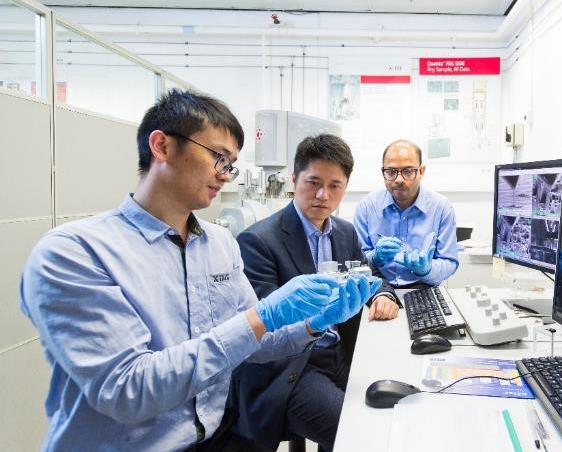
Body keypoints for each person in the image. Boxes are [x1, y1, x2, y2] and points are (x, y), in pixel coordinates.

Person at [18, 89, 378, 451]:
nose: (225, 175)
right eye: (218, 158)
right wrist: (261, 316)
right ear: (161, 146)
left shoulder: (219, 244)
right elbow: (128, 390)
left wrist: (311, 324)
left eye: (231, 164)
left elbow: (255, 346)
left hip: (214, 434)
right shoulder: (75, 252)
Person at [231, 134, 399, 452]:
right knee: (357, 433)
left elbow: (373, 277)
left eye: (335, 185)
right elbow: (264, 329)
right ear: (294, 180)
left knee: (396, 411)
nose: (323, 195)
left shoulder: (345, 233)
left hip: (341, 355)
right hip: (291, 367)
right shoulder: (258, 241)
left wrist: (383, 296)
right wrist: (317, 321)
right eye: (313, 183)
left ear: (345, 187)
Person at [354, 139, 460, 288]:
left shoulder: (441, 208)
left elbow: (449, 261)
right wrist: (374, 258)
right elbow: (356, 262)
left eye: (408, 171)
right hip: (378, 287)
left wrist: (427, 270)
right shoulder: (367, 206)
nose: (398, 179)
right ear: (382, 172)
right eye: (391, 172)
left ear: (421, 171)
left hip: (424, 287)